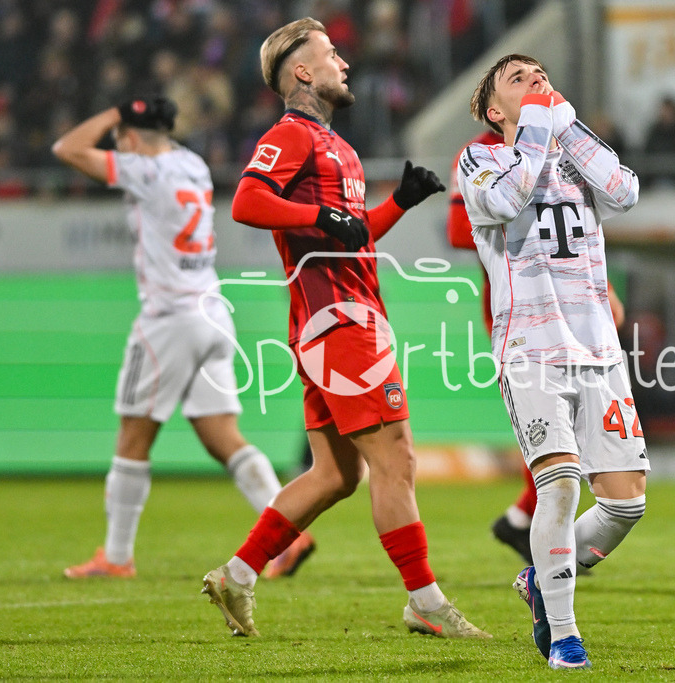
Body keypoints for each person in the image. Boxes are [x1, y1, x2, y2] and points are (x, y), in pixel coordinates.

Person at [199, 17, 489, 640]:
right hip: (340, 323)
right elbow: (247, 201)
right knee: (396, 459)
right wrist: (322, 214)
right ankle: (425, 602)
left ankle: (238, 574)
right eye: (330, 54)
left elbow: (349, 236)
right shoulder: (292, 134)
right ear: (303, 71)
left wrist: (398, 202)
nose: (344, 62)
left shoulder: (338, 147)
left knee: (337, 475)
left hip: (335, 319)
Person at [52, 95, 313, 579]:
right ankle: (289, 535)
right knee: (223, 437)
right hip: (211, 313)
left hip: (169, 318)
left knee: (133, 436)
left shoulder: (143, 169)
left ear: (131, 137)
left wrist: (114, 113)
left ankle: (116, 557)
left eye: (121, 138)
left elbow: (66, 148)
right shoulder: (193, 164)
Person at [457, 54, 647, 670]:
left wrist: (563, 124)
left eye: (539, 73)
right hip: (530, 349)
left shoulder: (570, 150)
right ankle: (565, 638)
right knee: (559, 485)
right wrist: (540, 124)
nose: (534, 80)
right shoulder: (479, 160)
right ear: (495, 110)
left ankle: (541, 577)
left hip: (598, 349)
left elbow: (625, 191)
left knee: (626, 504)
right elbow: (510, 197)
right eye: (517, 79)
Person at [447, 134, 624, 565]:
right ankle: (530, 527)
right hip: (523, 305)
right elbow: (456, 231)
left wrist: (604, 286)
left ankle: (524, 520)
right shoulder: (478, 154)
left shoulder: (557, 145)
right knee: (552, 429)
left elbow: (578, 227)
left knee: (571, 429)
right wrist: (522, 224)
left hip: (573, 303)